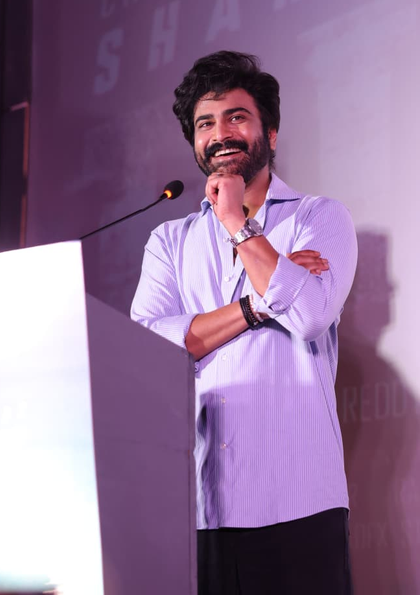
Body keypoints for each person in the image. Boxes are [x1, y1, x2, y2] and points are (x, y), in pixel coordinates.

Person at [131, 51, 357, 594]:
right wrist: (258, 305)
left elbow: (308, 315)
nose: (220, 134)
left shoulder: (318, 217)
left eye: (236, 117)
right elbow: (149, 348)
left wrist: (236, 222)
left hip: (300, 502)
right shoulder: (169, 242)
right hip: (202, 510)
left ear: (270, 133)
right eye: (205, 123)